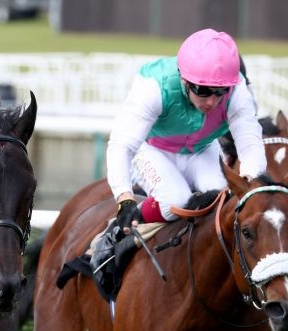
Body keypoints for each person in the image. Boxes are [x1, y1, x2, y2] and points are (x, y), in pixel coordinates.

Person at [105, 28, 266, 235]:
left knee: (223, 199)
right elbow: (121, 145)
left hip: (201, 149)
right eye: (203, 90)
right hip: (152, 149)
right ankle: (118, 231)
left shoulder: (237, 91)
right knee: (175, 199)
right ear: (184, 79)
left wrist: (248, 182)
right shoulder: (154, 85)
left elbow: (251, 145)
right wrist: (124, 199)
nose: (211, 101)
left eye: (220, 92)